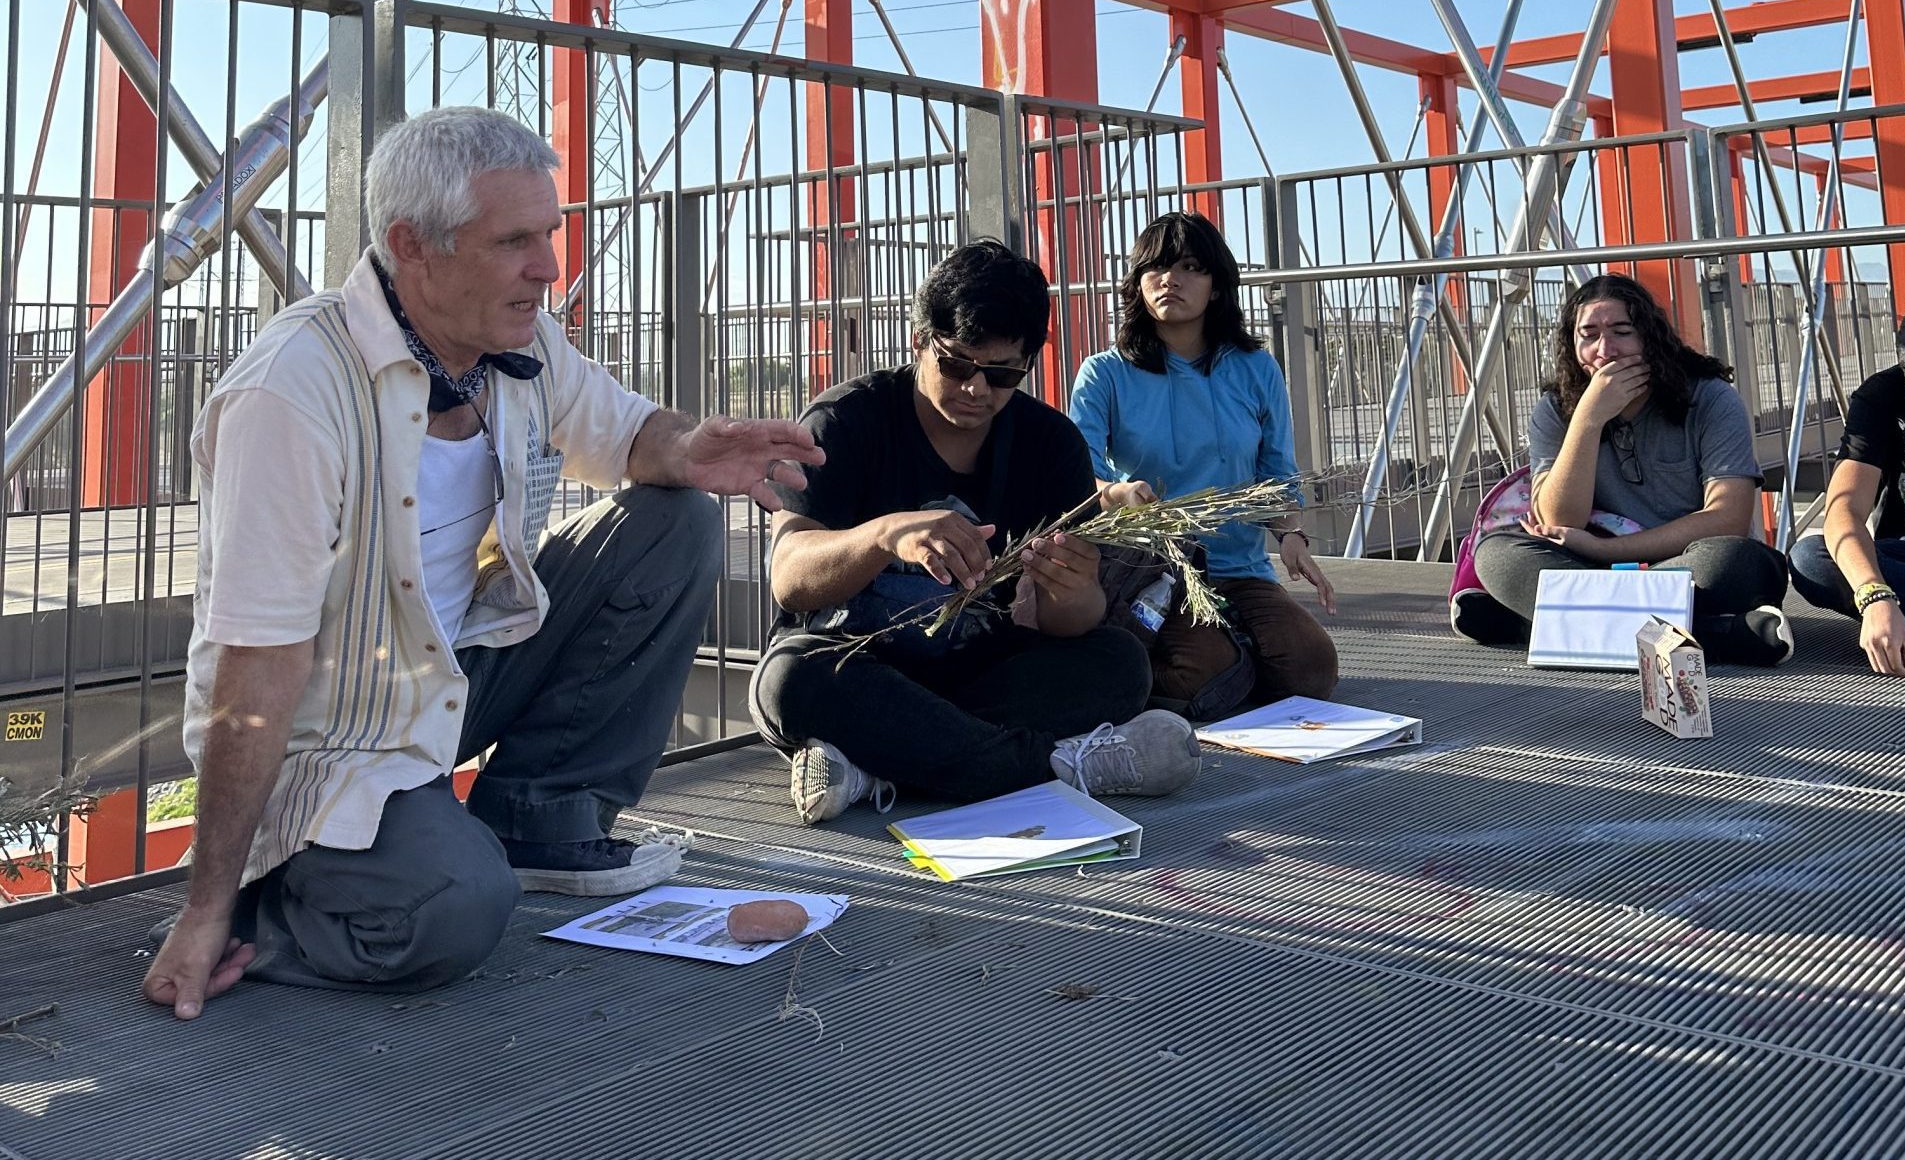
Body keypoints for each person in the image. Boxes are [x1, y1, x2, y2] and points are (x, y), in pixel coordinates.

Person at [142, 108, 822, 1020]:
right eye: (514, 242)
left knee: (678, 521)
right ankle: (273, 906)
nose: (550, 268)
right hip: (335, 742)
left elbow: (624, 433)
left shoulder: (516, 345)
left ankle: (539, 821)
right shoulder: (291, 395)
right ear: (411, 247)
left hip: (450, 680)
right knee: (454, 911)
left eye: (549, 235)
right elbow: (256, 667)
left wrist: (692, 445)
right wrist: (204, 903)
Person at [750, 240, 1202, 824]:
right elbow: (789, 577)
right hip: (849, 658)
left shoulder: (1049, 443)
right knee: (791, 682)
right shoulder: (845, 421)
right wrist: (884, 535)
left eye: (1002, 374)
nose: (976, 390)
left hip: (974, 670)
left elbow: (1074, 623)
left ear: (1027, 365)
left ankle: (876, 763)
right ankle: (1062, 767)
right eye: (958, 364)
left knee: (1119, 662)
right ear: (919, 342)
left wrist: (1076, 591)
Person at [1070, 211, 1337, 716]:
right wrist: (1115, 494)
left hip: (1241, 567)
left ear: (1216, 287)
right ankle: (1138, 655)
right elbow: (1075, 471)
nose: (1170, 279)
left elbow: (1276, 468)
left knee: (1311, 668)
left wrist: (1292, 537)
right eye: (1155, 268)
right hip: (1157, 568)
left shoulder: (1256, 367)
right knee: (1201, 677)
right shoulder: (1104, 373)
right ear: (1138, 285)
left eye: (1190, 266)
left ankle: (1234, 660)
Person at [1456, 272, 1793, 665]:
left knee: (1739, 563)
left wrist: (1608, 550)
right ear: (1572, 343)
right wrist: (1588, 419)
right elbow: (1558, 518)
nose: (1605, 350)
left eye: (1621, 331)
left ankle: (1530, 626)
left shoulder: (1711, 398)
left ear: (1650, 338)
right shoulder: (1556, 409)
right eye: (1589, 335)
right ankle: (1719, 636)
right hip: (1589, 566)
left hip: (1679, 564)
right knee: (1496, 554)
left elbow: (1728, 519)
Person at [1785, 303, 1905, 675]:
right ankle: (1896, 624)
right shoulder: (1882, 396)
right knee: (1811, 557)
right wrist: (1875, 596)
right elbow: (1844, 511)